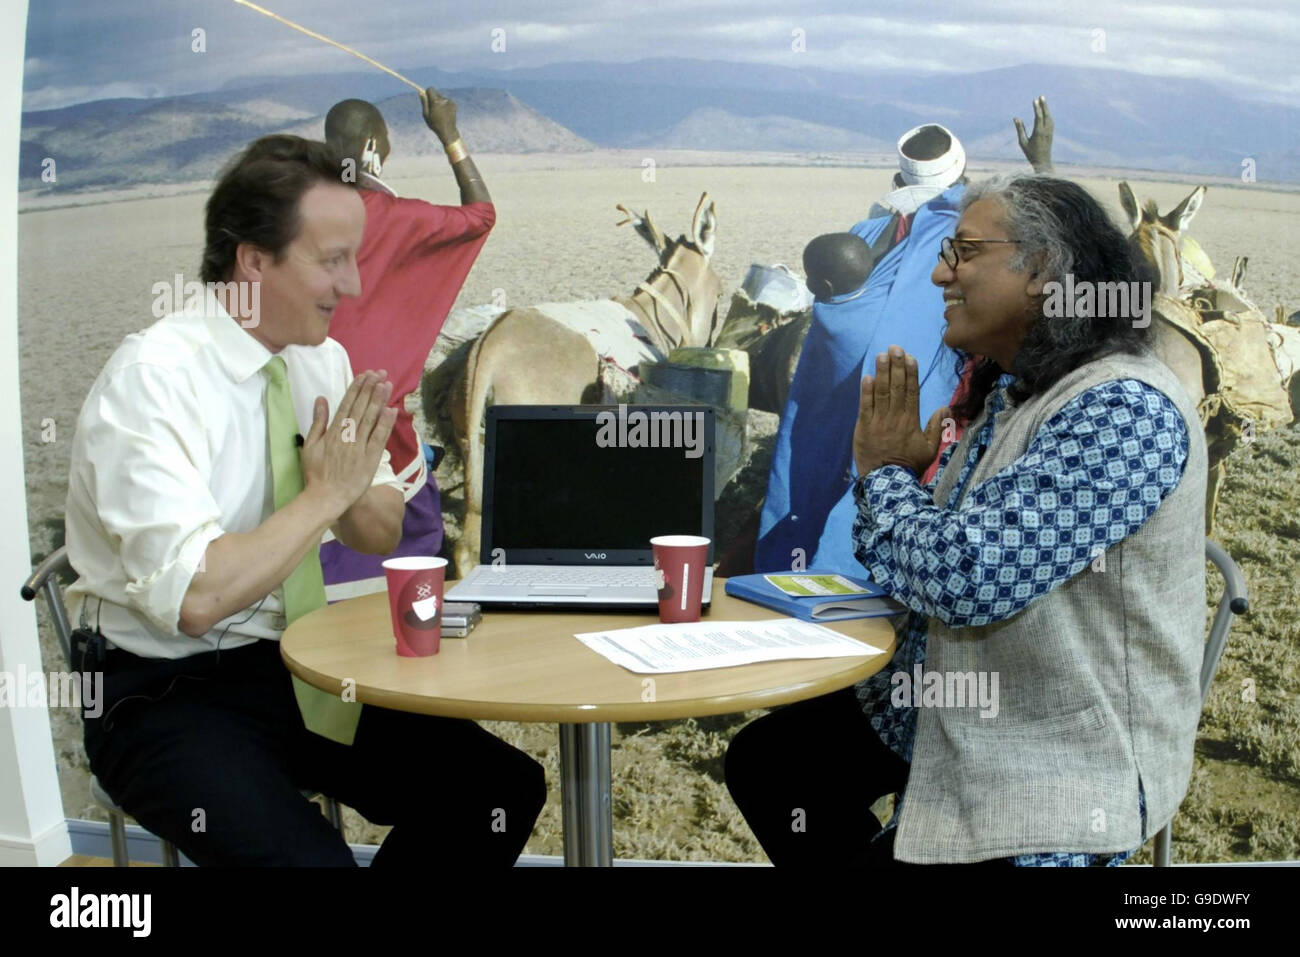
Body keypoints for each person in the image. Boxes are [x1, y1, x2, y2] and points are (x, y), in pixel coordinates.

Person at [65, 134, 544, 866]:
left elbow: (380, 528)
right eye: (331, 260)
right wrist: (322, 497)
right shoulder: (151, 381)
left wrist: (353, 493)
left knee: (498, 790)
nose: (352, 285)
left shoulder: (322, 358)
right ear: (253, 261)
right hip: (157, 690)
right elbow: (196, 596)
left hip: (293, 663)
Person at [725, 173, 1207, 866]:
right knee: (772, 763)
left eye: (964, 252)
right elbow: (951, 554)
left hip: (1056, 754)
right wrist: (919, 479)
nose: (939, 272)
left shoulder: (1120, 409)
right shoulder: (1017, 390)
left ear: (1041, 269)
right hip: (957, 705)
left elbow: (963, 577)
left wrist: (887, 474)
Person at [755, 122, 968, 576]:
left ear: (900, 178)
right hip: (918, 388)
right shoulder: (967, 235)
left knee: (821, 452)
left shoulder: (867, 232)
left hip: (846, 385)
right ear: (961, 172)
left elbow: (835, 314)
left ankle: (799, 561)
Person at [320, 90, 493, 600]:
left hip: (302, 409)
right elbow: (481, 214)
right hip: (374, 418)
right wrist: (448, 133)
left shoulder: (300, 214)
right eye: (388, 142)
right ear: (374, 146)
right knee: (416, 528)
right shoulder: (398, 216)